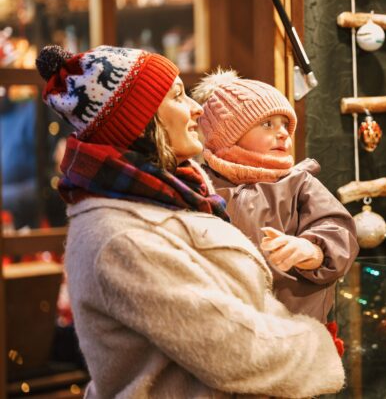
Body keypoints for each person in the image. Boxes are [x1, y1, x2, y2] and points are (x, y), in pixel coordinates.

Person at [35, 45, 344, 398]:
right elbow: (233, 350)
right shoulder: (123, 237)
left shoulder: (173, 197)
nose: (197, 108)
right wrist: (318, 345)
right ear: (143, 119)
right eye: (178, 97)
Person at [192, 70, 359, 325]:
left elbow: (338, 228)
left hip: (295, 327)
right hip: (219, 325)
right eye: (267, 124)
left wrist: (313, 249)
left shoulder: (298, 182)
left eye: (285, 125)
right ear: (229, 134)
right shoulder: (201, 184)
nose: (283, 133)